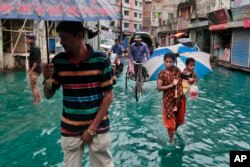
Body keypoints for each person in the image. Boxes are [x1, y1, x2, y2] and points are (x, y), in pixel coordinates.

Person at [43, 21, 114, 167]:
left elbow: (108, 96)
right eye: (60, 37)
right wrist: (47, 78)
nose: (61, 42)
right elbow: (48, 94)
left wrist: (92, 128)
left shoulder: (101, 59)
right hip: (70, 127)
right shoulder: (59, 61)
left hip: (98, 127)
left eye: (65, 37)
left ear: (80, 36)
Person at [157, 53, 185, 144]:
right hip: (168, 100)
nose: (168, 64)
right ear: (164, 61)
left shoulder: (177, 70)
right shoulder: (162, 73)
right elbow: (159, 88)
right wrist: (171, 85)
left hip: (179, 98)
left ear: (174, 62)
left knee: (178, 119)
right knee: (170, 121)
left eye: (171, 62)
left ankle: (174, 132)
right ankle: (171, 140)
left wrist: (192, 80)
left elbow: (184, 79)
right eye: (166, 62)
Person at [26, 33, 42, 105]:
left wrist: (31, 71)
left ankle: (36, 101)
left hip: (35, 70)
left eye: (28, 38)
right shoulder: (33, 47)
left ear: (32, 39)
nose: (27, 40)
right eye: (27, 38)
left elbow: (37, 61)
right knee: (35, 85)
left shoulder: (35, 48)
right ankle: (39, 99)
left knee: (33, 86)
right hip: (35, 69)